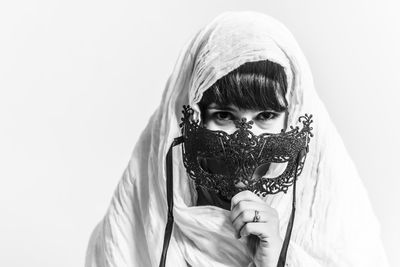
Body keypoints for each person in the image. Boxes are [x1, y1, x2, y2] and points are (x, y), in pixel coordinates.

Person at [85, 11, 389, 267]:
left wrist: (278, 259)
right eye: (224, 115)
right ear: (194, 114)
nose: (246, 140)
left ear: (292, 115)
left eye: (266, 116)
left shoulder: (340, 225)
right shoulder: (136, 214)